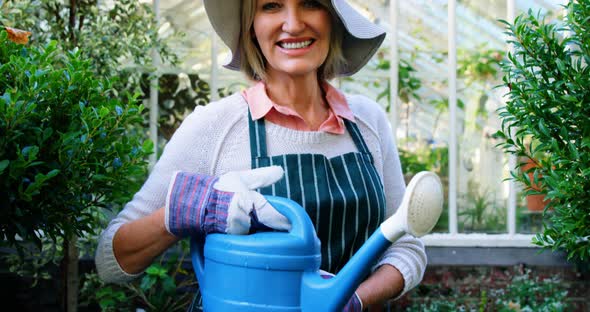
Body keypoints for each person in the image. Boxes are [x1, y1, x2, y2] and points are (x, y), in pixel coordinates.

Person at [95, 0, 427, 310]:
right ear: (251, 25)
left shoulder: (368, 121)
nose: (293, 24)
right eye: (271, 6)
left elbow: (406, 246)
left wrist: (348, 301)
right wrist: (185, 210)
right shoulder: (214, 127)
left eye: (311, 3)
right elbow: (110, 260)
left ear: (333, 19)